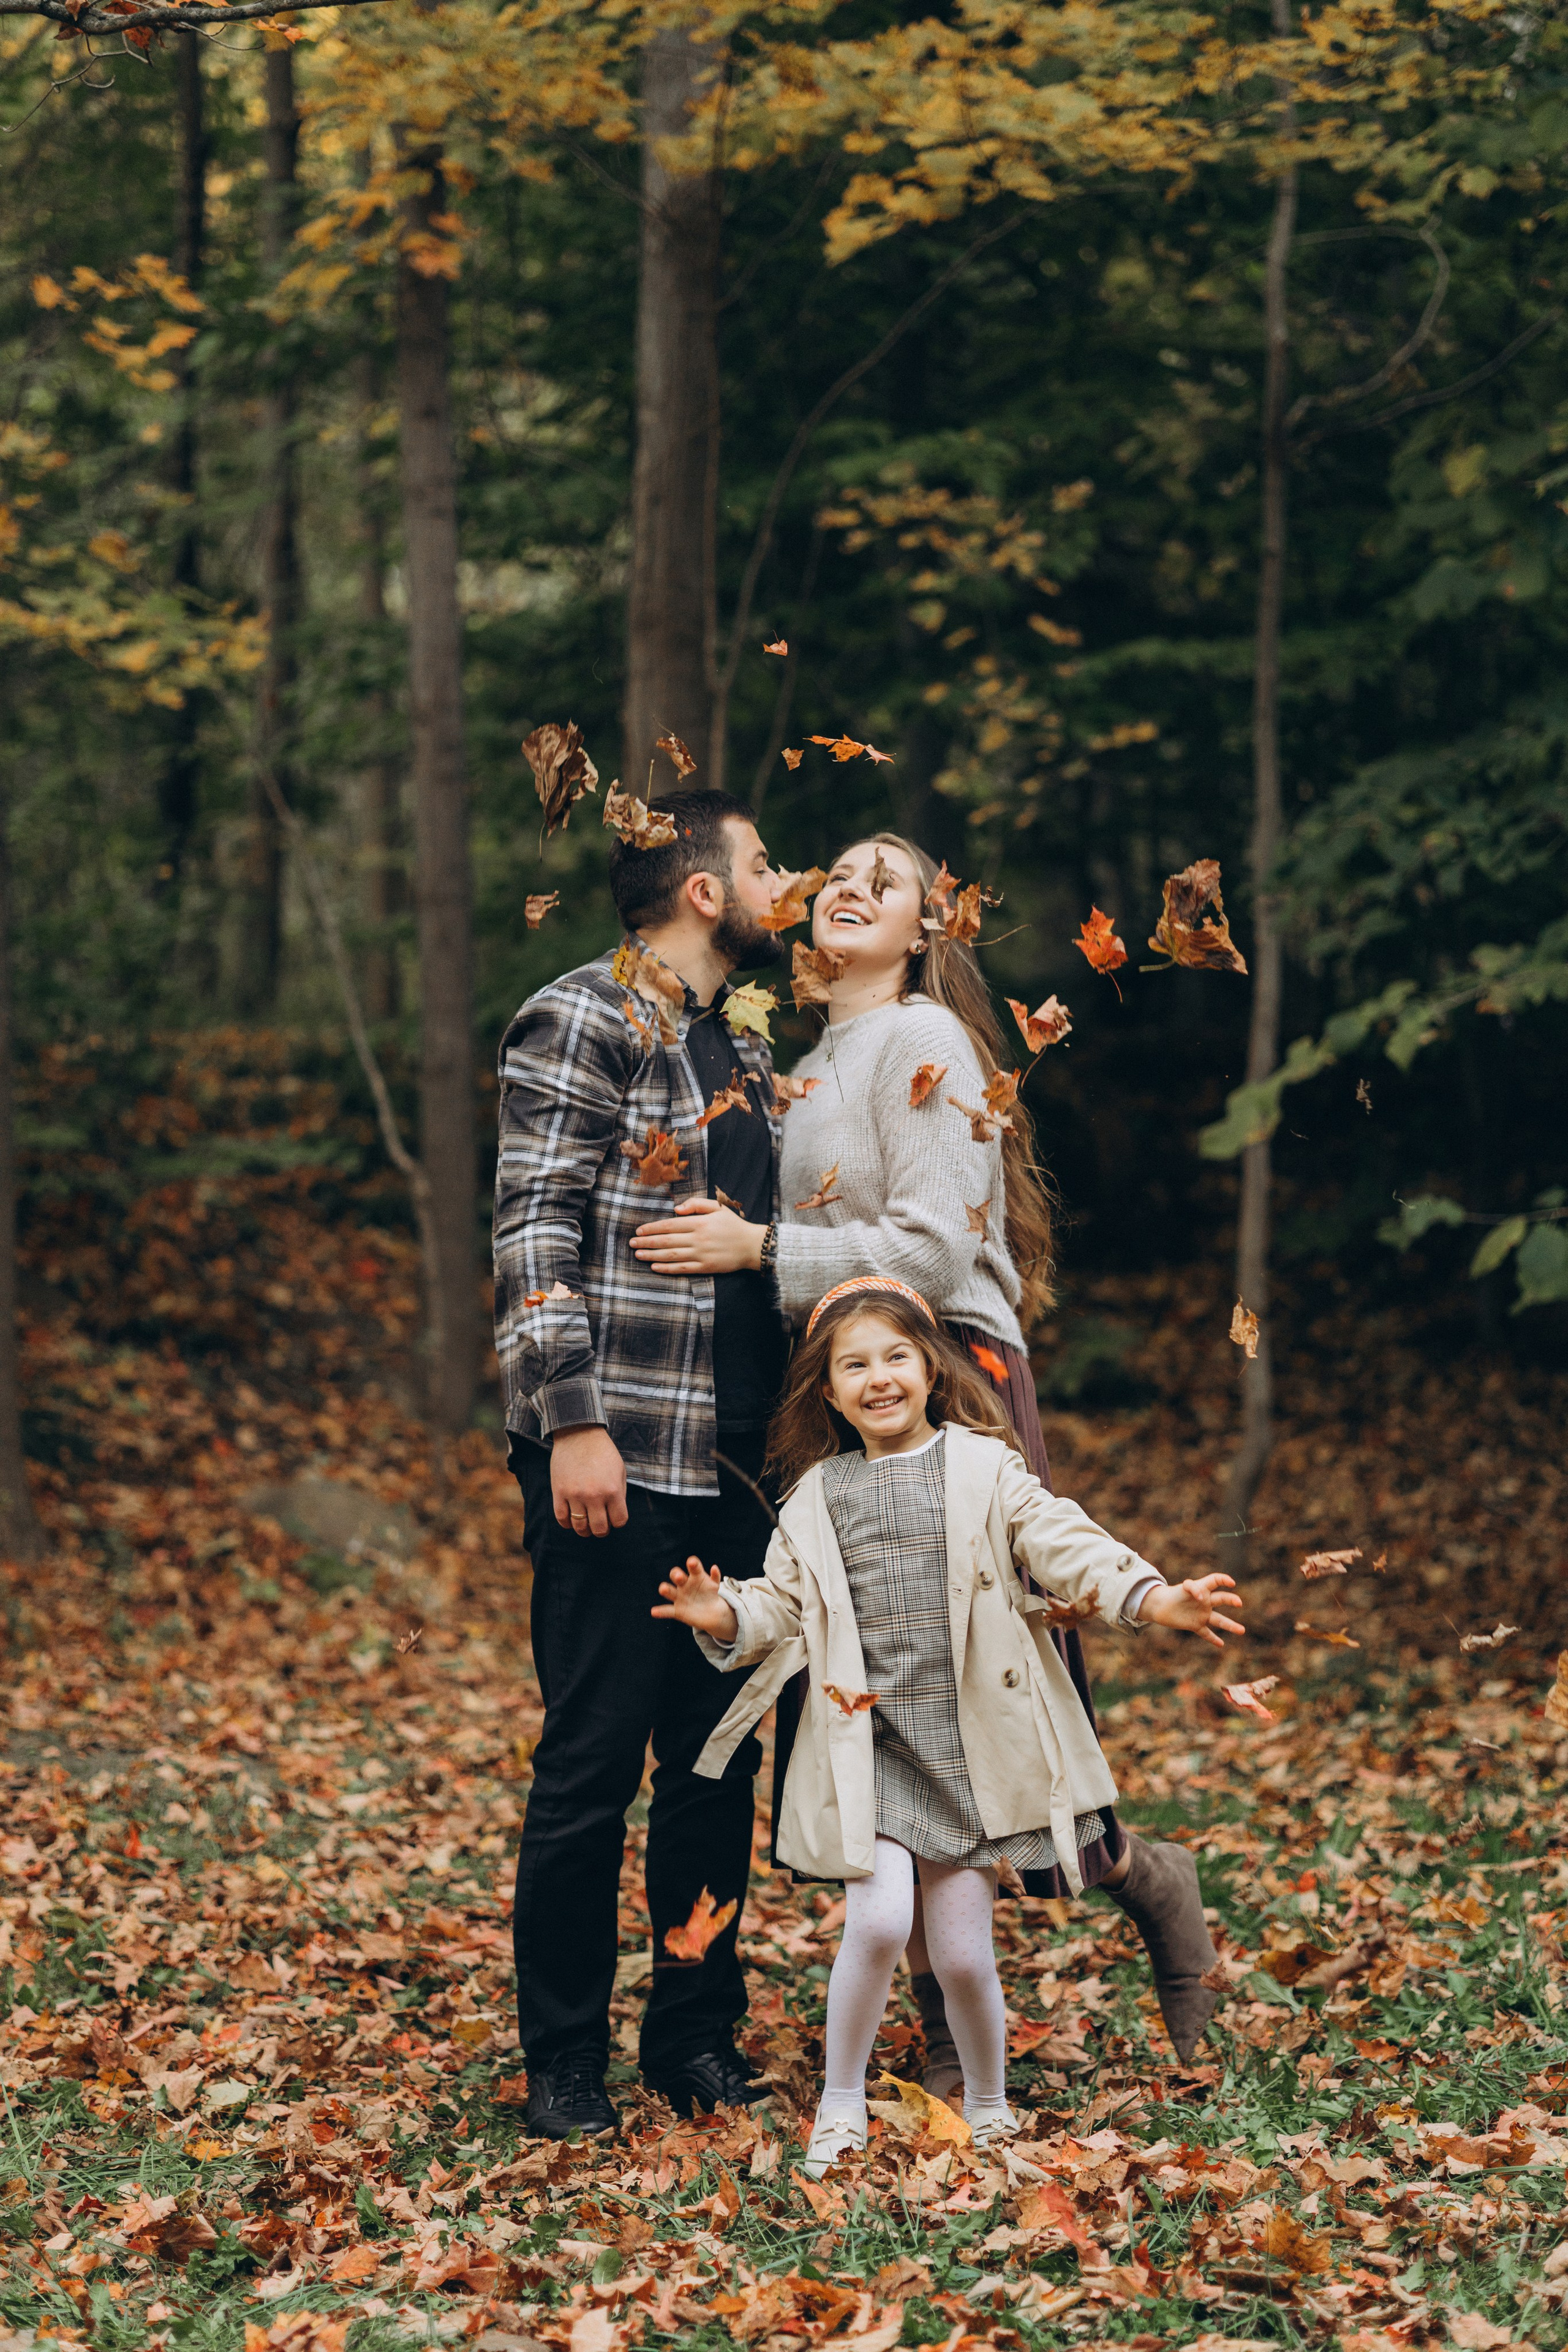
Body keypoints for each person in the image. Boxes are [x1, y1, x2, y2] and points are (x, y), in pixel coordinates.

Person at [629, 831, 1225, 2077]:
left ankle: (1135, 1879)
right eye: (835, 873)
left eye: (883, 883)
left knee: (991, 1677)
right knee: (879, 1686)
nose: (848, 887)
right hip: (837, 1386)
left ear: (924, 932)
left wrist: (759, 1254)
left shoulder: (927, 1043)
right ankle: (949, 2033)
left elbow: (935, 1252)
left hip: (949, 1365)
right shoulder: (807, 1063)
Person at [653, 1279, 1245, 2174]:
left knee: (965, 1957)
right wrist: (726, 1613)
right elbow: (782, 1607)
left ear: (933, 1367)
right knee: (883, 1922)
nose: (878, 1378)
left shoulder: (985, 1468)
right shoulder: (816, 1497)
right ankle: (841, 2103)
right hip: (873, 1750)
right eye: (854, 1365)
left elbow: (1064, 1541)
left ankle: (992, 2104)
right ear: (827, 1390)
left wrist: (1155, 1596)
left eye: (896, 1356)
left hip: (968, 1753)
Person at [492, 787, 793, 2139]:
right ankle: (561, 2062)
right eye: (767, 861)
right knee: (592, 1766)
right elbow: (532, 1228)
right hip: (618, 1453)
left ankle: (693, 2041)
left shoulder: (746, 1045)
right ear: (707, 893)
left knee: (715, 1764)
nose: (784, 880)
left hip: (741, 1471)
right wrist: (569, 1419)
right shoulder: (586, 1014)